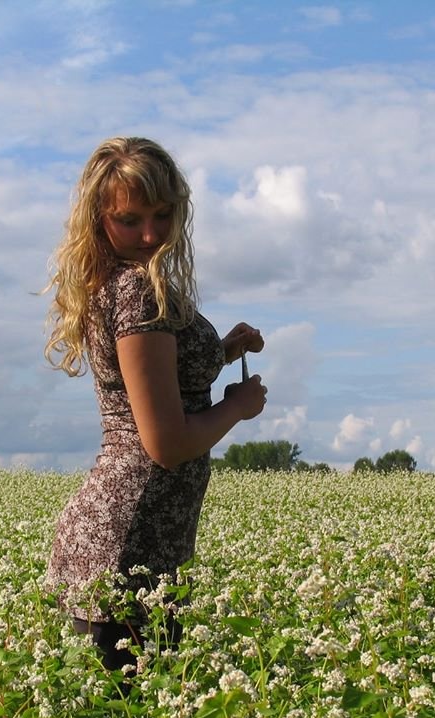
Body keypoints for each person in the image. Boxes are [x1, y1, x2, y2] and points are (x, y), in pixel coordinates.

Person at [44, 136, 267, 672]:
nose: (150, 233)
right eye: (130, 219)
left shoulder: (118, 285)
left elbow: (153, 374)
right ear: (99, 218)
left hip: (129, 537)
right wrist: (238, 405)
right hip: (130, 541)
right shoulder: (138, 292)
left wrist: (220, 350)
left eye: (163, 215)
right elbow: (166, 443)